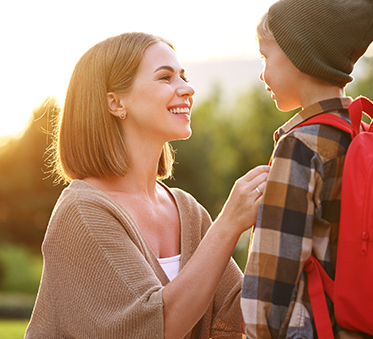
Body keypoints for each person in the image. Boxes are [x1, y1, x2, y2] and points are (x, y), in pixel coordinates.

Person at [25, 32, 269, 339]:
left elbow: (245, 312)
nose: (188, 89)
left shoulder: (188, 211)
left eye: (183, 76)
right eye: (165, 78)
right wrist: (230, 223)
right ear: (115, 102)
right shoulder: (82, 213)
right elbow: (154, 329)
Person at [240, 0, 373, 339]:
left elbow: (272, 274)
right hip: (361, 325)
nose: (262, 74)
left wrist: (255, 331)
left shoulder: (300, 146)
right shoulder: (364, 136)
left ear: (297, 55)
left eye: (265, 57)